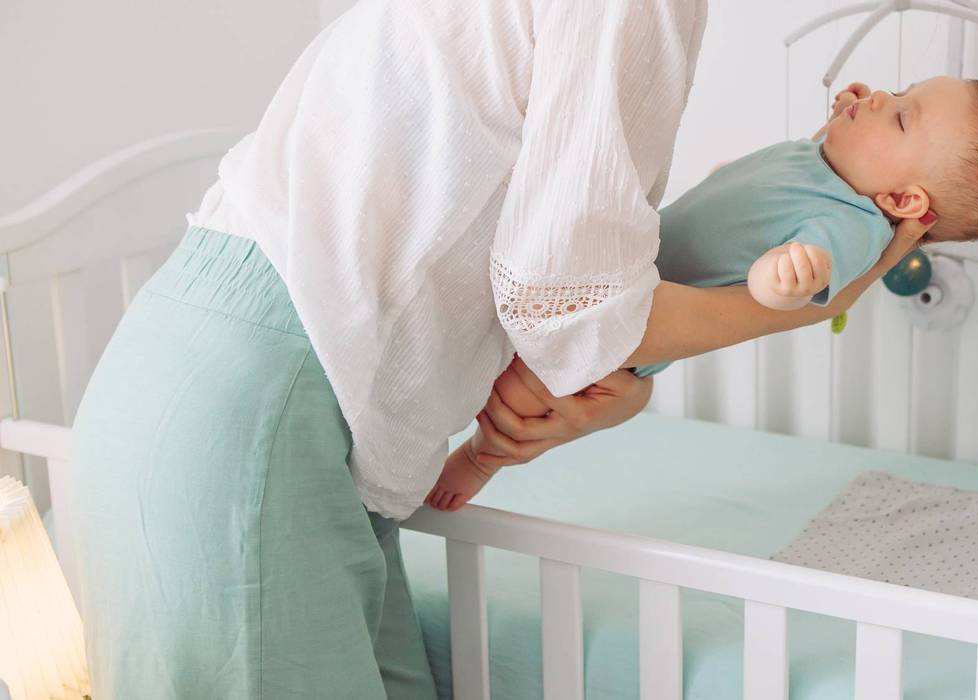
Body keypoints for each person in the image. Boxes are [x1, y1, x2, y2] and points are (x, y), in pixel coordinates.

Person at [67, 1, 934, 697]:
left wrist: (609, 349)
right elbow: (567, 295)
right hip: (260, 401)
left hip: (276, 389)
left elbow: (553, 279)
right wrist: (784, 314)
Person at [426, 75, 978, 510]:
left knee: (521, 391)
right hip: (618, 274)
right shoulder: (825, 163)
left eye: (902, 116)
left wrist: (787, 277)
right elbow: (796, 175)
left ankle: (479, 459)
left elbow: (811, 278)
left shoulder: (850, 225)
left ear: (903, 203)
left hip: (621, 340)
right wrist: (852, 116)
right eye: (901, 91)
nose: (881, 96)